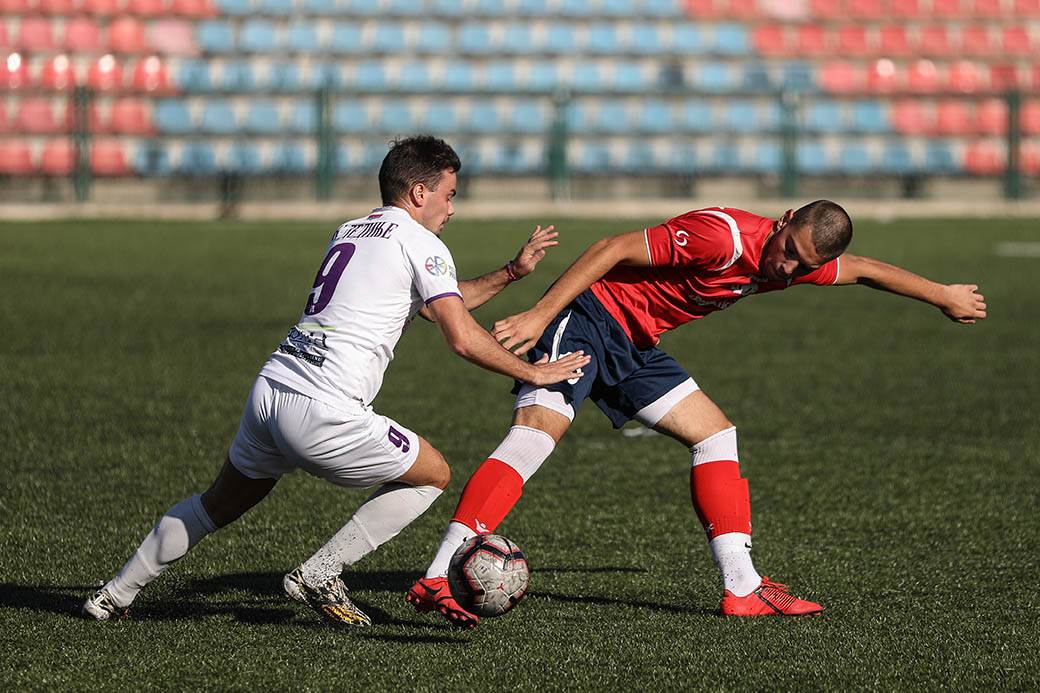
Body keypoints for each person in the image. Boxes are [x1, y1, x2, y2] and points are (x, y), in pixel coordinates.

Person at [81, 135, 590, 626]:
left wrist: (510, 272)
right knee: (433, 473)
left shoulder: (352, 229)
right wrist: (533, 371)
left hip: (273, 388)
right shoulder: (420, 241)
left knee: (219, 502)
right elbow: (458, 334)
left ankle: (113, 594)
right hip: (324, 407)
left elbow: (436, 306)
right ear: (419, 193)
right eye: (449, 195)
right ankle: (321, 571)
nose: (451, 208)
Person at [407, 200, 987, 627]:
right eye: (788, 252)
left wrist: (942, 294)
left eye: (801, 265)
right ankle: (438, 575)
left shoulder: (797, 259)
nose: (786, 270)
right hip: (585, 318)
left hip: (636, 343)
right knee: (534, 438)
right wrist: (538, 315)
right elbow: (611, 249)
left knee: (716, 436)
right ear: (783, 220)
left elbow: (862, 269)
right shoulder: (722, 237)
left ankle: (743, 588)